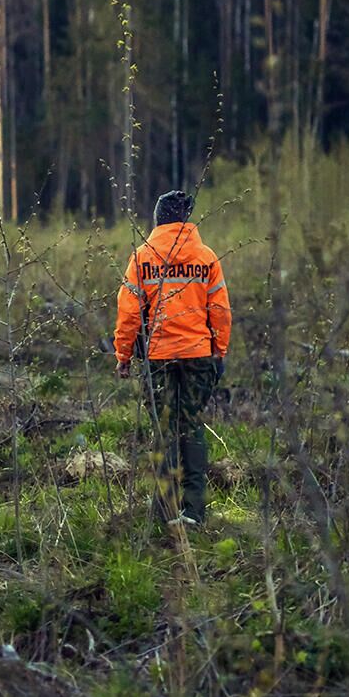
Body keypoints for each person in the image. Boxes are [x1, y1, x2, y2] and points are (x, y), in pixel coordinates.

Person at [113, 190, 231, 527]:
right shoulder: (206, 257)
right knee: (191, 426)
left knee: (164, 430)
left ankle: (163, 512)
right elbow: (220, 311)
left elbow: (128, 313)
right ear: (186, 219)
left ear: (158, 219)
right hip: (198, 355)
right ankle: (194, 512)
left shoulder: (141, 258)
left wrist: (123, 354)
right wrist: (218, 350)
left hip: (159, 357)